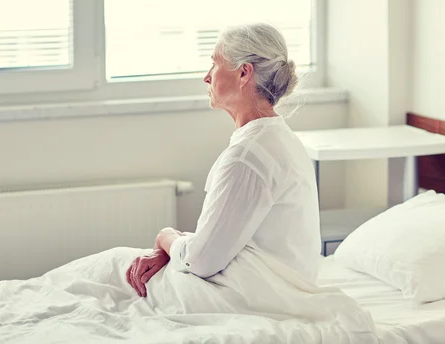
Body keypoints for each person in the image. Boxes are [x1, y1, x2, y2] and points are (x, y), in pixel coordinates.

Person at [126, 23, 321, 298]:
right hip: (272, 284)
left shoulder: (248, 156)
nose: (207, 77)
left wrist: (166, 237)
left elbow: (202, 261)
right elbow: (220, 240)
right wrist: (180, 250)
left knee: (117, 273)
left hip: (259, 294)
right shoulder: (277, 138)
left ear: (244, 73)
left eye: (214, 65)